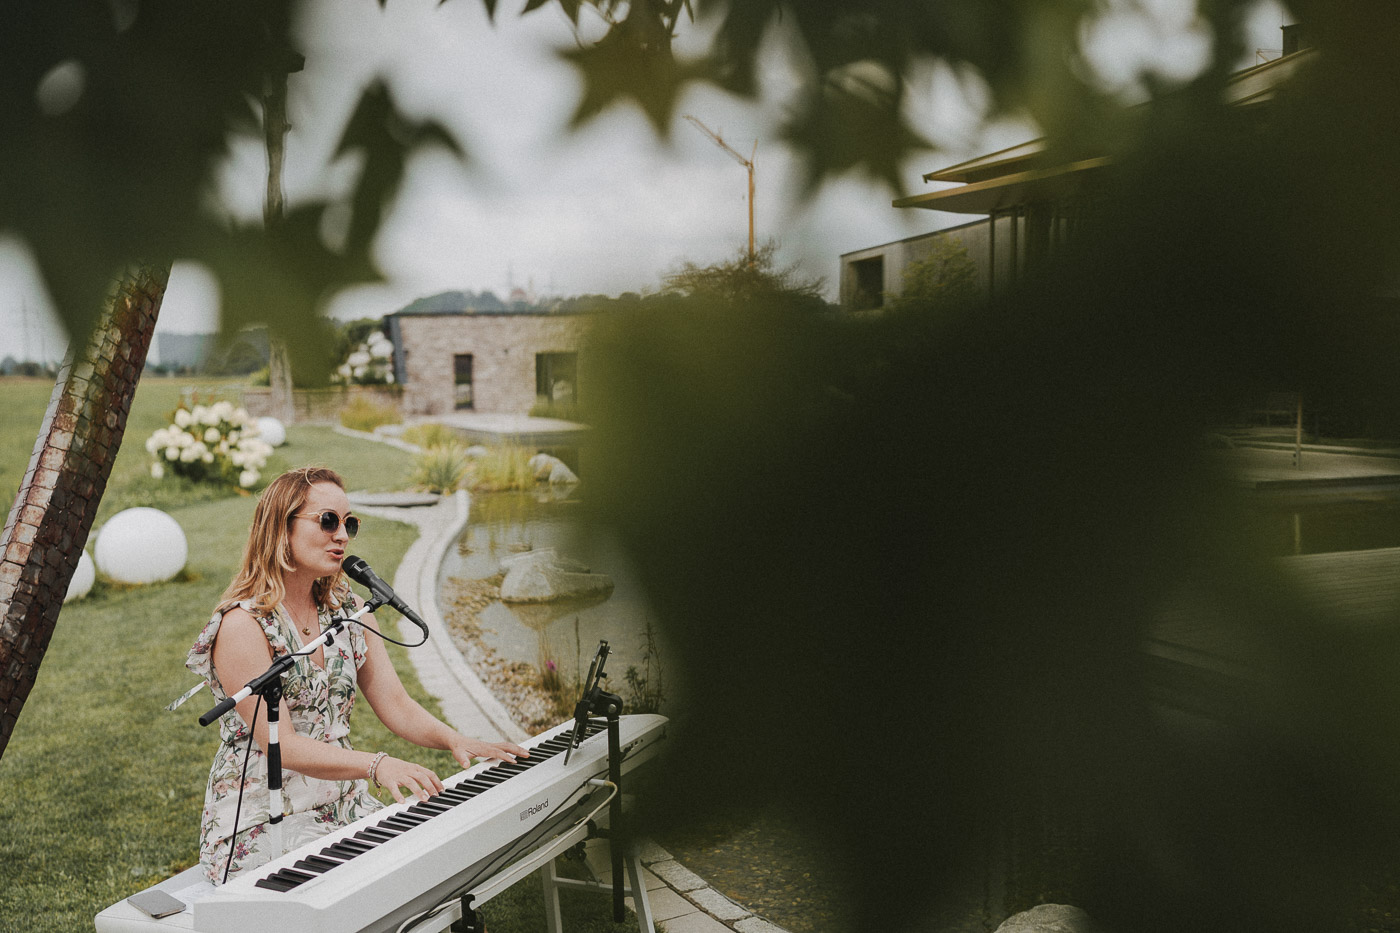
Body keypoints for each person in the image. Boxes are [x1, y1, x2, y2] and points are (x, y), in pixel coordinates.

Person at [187, 465, 527, 884]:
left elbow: (396, 704)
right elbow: (284, 746)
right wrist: (377, 764)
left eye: (349, 523)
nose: (343, 536)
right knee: (375, 883)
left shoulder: (348, 612)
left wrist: (455, 739)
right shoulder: (244, 625)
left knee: (437, 865)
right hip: (260, 818)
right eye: (328, 521)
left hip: (342, 804)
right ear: (280, 527)